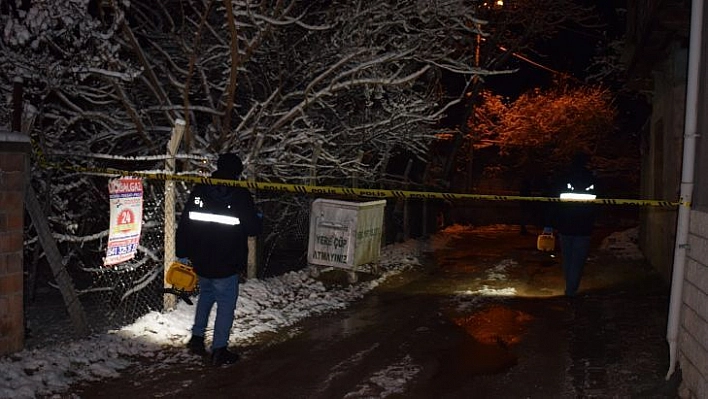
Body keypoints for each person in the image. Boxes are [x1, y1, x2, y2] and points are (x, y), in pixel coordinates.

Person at [176, 153, 262, 365]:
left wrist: (183, 253)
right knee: (225, 304)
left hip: (202, 259)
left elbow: (185, 224)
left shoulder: (200, 191)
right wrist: (258, 217)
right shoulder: (240, 195)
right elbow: (252, 229)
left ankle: (197, 338)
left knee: (206, 295)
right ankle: (219, 349)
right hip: (227, 260)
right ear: (238, 172)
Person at [548, 152, 598, 297]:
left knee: (568, 259)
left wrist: (550, 224)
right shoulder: (592, 179)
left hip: (566, 226)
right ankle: (571, 289)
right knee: (578, 260)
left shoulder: (563, 178)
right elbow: (600, 204)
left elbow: (554, 203)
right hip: (584, 227)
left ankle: (569, 286)